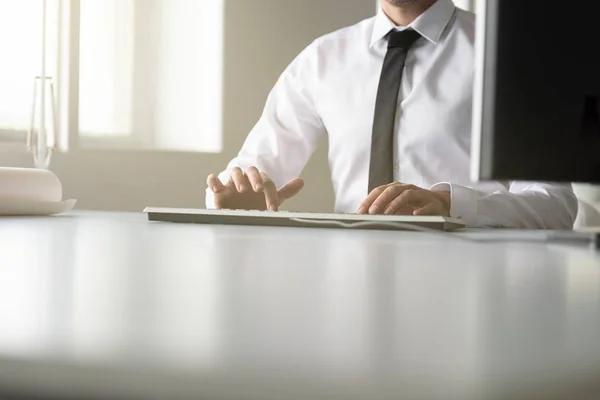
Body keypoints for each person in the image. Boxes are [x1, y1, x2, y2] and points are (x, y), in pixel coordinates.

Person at [206, 0, 578, 229]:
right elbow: (251, 172)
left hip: (475, 294)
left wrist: (453, 205)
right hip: (348, 292)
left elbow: (556, 206)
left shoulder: (509, 55)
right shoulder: (321, 59)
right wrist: (230, 199)